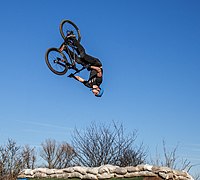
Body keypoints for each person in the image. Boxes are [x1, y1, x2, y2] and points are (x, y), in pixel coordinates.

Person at [60, 33, 104, 97]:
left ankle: (65, 49)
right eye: (96, 93)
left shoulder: (89, 85)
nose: (94, 93)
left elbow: (80, 79)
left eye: (95, 94)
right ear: (98, 89)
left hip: (89, 66)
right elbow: (99, 70)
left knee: (78, 60)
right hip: (96, 63)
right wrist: (90, 66)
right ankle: (73, 38)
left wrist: (73, 76)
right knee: (83, 56)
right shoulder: (99, 81)